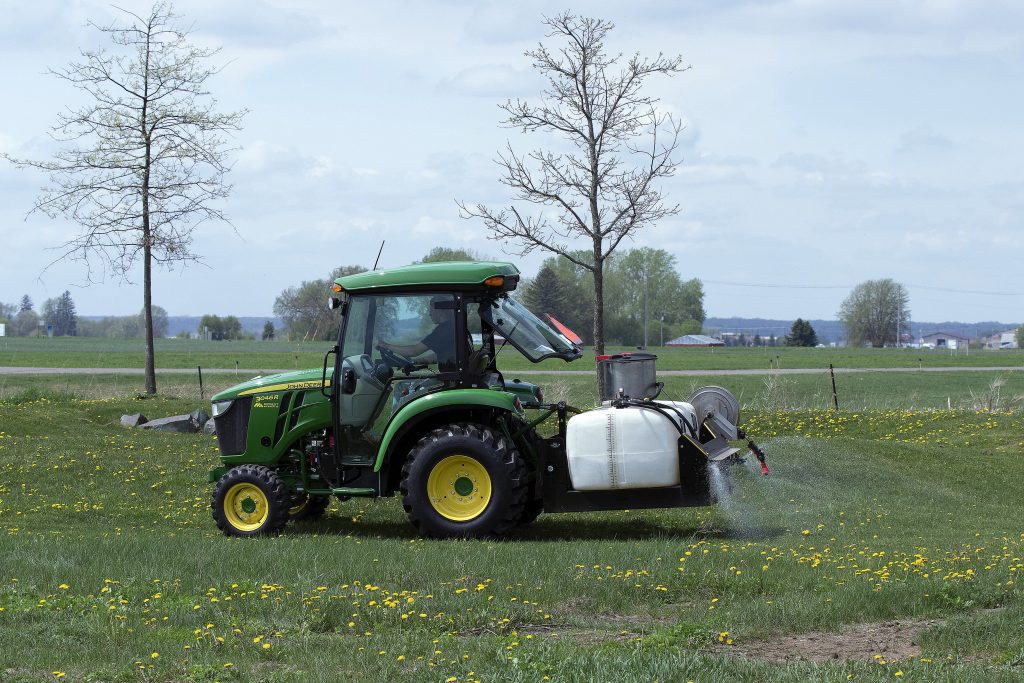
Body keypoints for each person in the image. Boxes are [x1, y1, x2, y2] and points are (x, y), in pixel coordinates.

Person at [378, 296, 456, 368]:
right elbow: (440, 356)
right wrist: (413, 362)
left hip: (452, 380)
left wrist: (386, 346)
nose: (429, 314)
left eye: (431, 310)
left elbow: (413, 351)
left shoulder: (444, 330)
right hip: (450, 377)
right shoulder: (450, 327)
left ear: (440, 311)